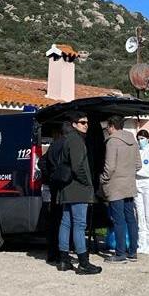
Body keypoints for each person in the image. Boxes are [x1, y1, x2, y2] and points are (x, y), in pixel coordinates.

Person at [56, 111, 102, 275]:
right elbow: (77, 167)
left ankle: (63, 260)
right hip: (78, 189)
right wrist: (87, 183)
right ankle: (83, 263)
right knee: (79, 225)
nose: (86, 125)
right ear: (74, 124)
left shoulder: (67, 139)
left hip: (68, 189)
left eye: (87, 122)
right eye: (82, 122)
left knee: (66, 223)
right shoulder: (76, 140)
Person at [100, 115, 141, 263]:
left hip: (116, 186)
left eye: (107, 128)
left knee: (118, 220)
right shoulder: (132, 140)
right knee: (131, 218)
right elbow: (139, 165)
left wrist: (102, 179)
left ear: (111, 126)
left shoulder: (112, 141)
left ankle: (120, 253)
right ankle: (133, 252)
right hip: (130, 184)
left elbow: (109, 167)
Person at [38, 121, 71, 266]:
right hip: (65, 187)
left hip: (53, 187)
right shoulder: (68, 144)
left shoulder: (53, 146)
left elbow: (41, 163)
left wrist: (50, 176)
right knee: (64, 221)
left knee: (54, 220)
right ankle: (63, 252)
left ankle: (53, 253)